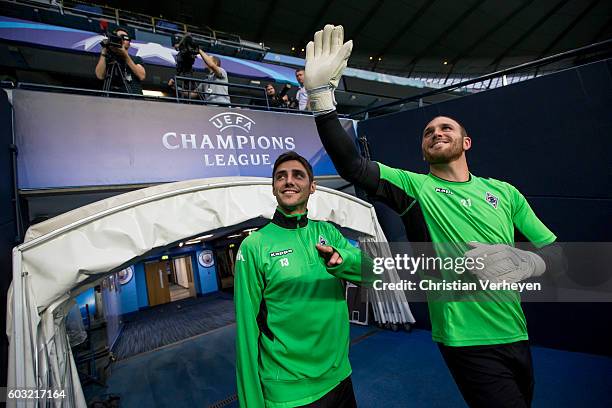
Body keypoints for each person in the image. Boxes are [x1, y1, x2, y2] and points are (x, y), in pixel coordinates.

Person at [304, 25, 565, 408]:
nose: (436, 132)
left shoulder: (504, 192)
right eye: (428, 132)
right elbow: (352, 165)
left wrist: (527, 263)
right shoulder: (414, 187)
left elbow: (555, 255)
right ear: (424, 151)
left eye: (446, 128)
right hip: (464, 340)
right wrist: (322, 101)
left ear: (466, 142)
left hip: (515, 332)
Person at [235, 151, 372, 407]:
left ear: (312, 187)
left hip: (340, 376)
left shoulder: (328, 232)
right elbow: (246, 332)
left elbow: (374, 272)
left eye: (298, 175)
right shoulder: (254, 246)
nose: (289, 181)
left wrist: (343, 260)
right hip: (289, 392)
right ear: (274, 188)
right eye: (281, 177)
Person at [95, 27, 145, 95]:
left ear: (129, 43)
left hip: (134, 98)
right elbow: (100, 76)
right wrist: (104, 50)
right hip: (112, 99)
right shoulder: (108, 58)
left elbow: (142, 76)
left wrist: (126, 56)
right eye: (119, 38)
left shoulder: (136, 59)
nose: (121, 40)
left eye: (124, 38)